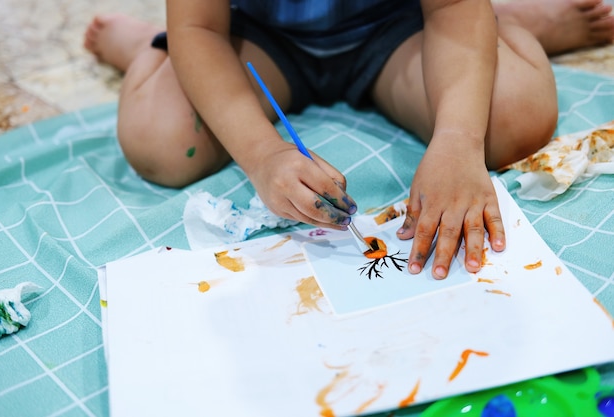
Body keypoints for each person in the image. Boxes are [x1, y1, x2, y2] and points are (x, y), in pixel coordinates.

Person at [84, 0, 614, 280]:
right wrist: (263, 152)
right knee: (163, 142)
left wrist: (457, 138)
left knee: (511, 119)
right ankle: (149, 50)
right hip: (249, 37)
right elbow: (198, 28)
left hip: (401, 25)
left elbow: (452, 9)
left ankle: (510, 20)